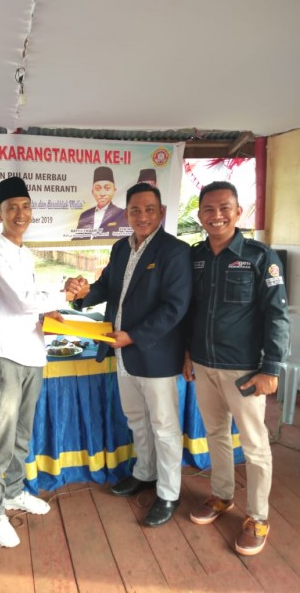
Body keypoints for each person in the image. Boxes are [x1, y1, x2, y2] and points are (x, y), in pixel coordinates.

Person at [66, 182, 192, 527]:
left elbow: (175, 307)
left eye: (150, 209)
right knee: (136, 419)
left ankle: (168, 493)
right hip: (122, 352)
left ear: (161, 212)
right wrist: (81, 293)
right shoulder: (121, 247)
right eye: (135, 210)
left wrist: (133, 336)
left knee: (164, 426)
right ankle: (145, 473)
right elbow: (107, 287)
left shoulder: (175, 251)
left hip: (155, 354)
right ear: (127, 214)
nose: (142, 216)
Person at [183, 180, 289, 556]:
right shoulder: (195, 257)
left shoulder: (261, 257)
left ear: (238, 212)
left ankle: (258, 517)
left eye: (224, 208)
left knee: (255, 445)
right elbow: (190, 311)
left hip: (244, 370)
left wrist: (271, 368)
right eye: (208, 209)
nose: (217, 216)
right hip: (203, 364)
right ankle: (222, 495)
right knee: (215, 433)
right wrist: (187, 353)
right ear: (200, 215)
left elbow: (277, 315)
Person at [0, 176, 74, 548]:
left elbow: (30, 301)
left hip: (33, 352)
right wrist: (63, 295)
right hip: (5, 355)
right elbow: (20, 300)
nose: (20, 214)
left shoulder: (25, 253)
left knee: (21, 434)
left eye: (26, 206)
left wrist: (49, 313)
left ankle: (14, 491)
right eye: (12, 208)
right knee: (2, 438)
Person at [73, 166, 129, 239]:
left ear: (114, 191)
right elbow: (77, 239)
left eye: (107, 188)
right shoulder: (85, 215)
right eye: (98, 189)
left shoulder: (121, 214)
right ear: (93, 192)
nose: (102, 193)